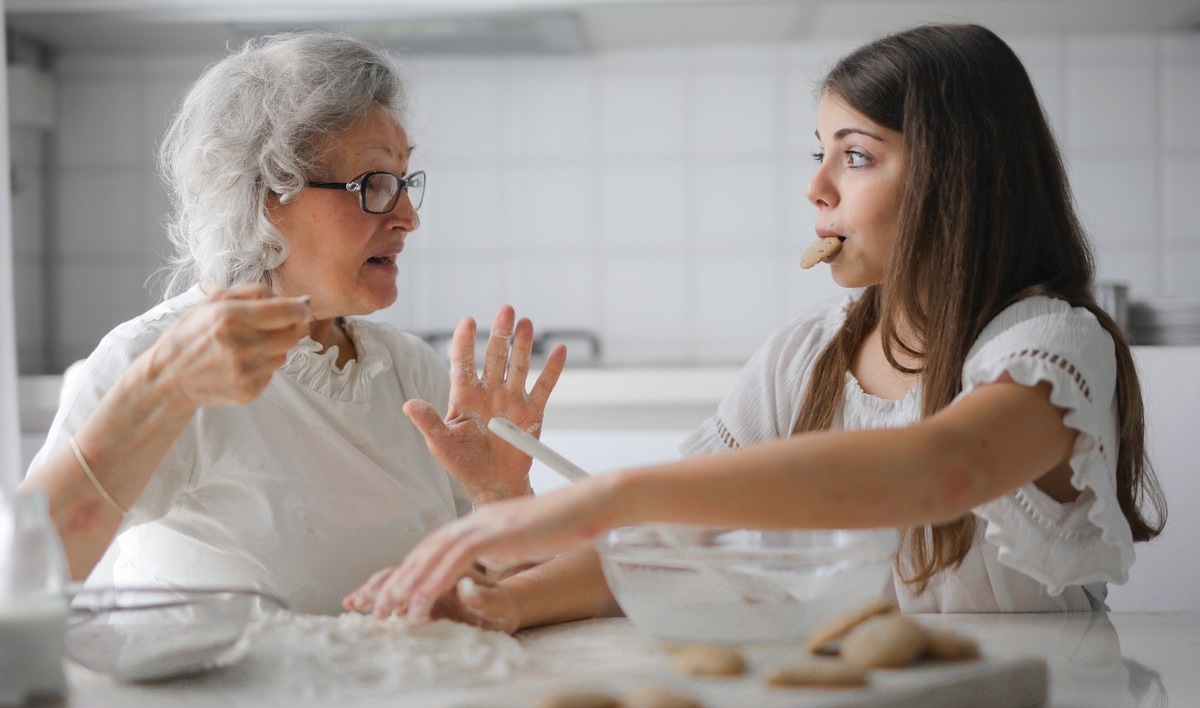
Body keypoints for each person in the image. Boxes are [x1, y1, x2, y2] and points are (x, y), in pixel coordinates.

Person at [345, 22, 1167, 628]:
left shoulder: (1050, 347)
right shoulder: (805, 357)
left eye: (855, 155)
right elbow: (674, 541)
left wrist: (612, 492)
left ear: (959, 176)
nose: (816, 188)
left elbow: (943, 468)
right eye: (817, 153)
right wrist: (506, 601)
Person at [17, 31, 565, 615]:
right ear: (263, 197)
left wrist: (501, 496)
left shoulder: (409, 371)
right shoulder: (154, 357)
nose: (408, 216)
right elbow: (21, 576)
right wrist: (160, 391)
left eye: (405, 183)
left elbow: (493, 599)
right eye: (374, 185)